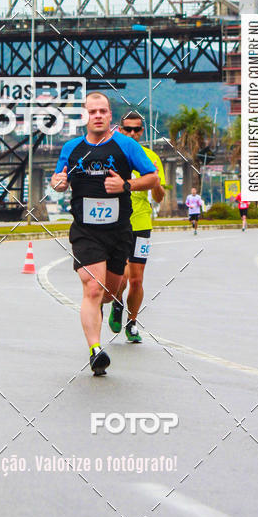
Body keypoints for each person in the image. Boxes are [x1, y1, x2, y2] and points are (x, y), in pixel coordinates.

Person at [51, 92, 159, 376]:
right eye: (92, 111)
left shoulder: (126, 145)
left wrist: (126, 185)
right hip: (85, 231)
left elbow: (152, 178)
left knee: (110, 292)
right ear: (84, 116)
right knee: (93, 287)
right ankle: (95, 350)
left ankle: (112, 306)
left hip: (119, 232)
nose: (97, 115)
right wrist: (58, 182)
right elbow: (59, 179)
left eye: (102, 111)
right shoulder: (72, 148)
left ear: (110, 116)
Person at [108, 112, 166, 343]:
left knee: (137, 280)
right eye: (128, 129)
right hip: (116, 223)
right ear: (120, 130)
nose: (132, 133)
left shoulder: (150, 157)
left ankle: (132, 324)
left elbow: (159, 198)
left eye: (137, 129)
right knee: (121, 278)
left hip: (141, 224)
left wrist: (156, 181)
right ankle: (117, 302)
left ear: (142, 131)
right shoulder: (112, 155)